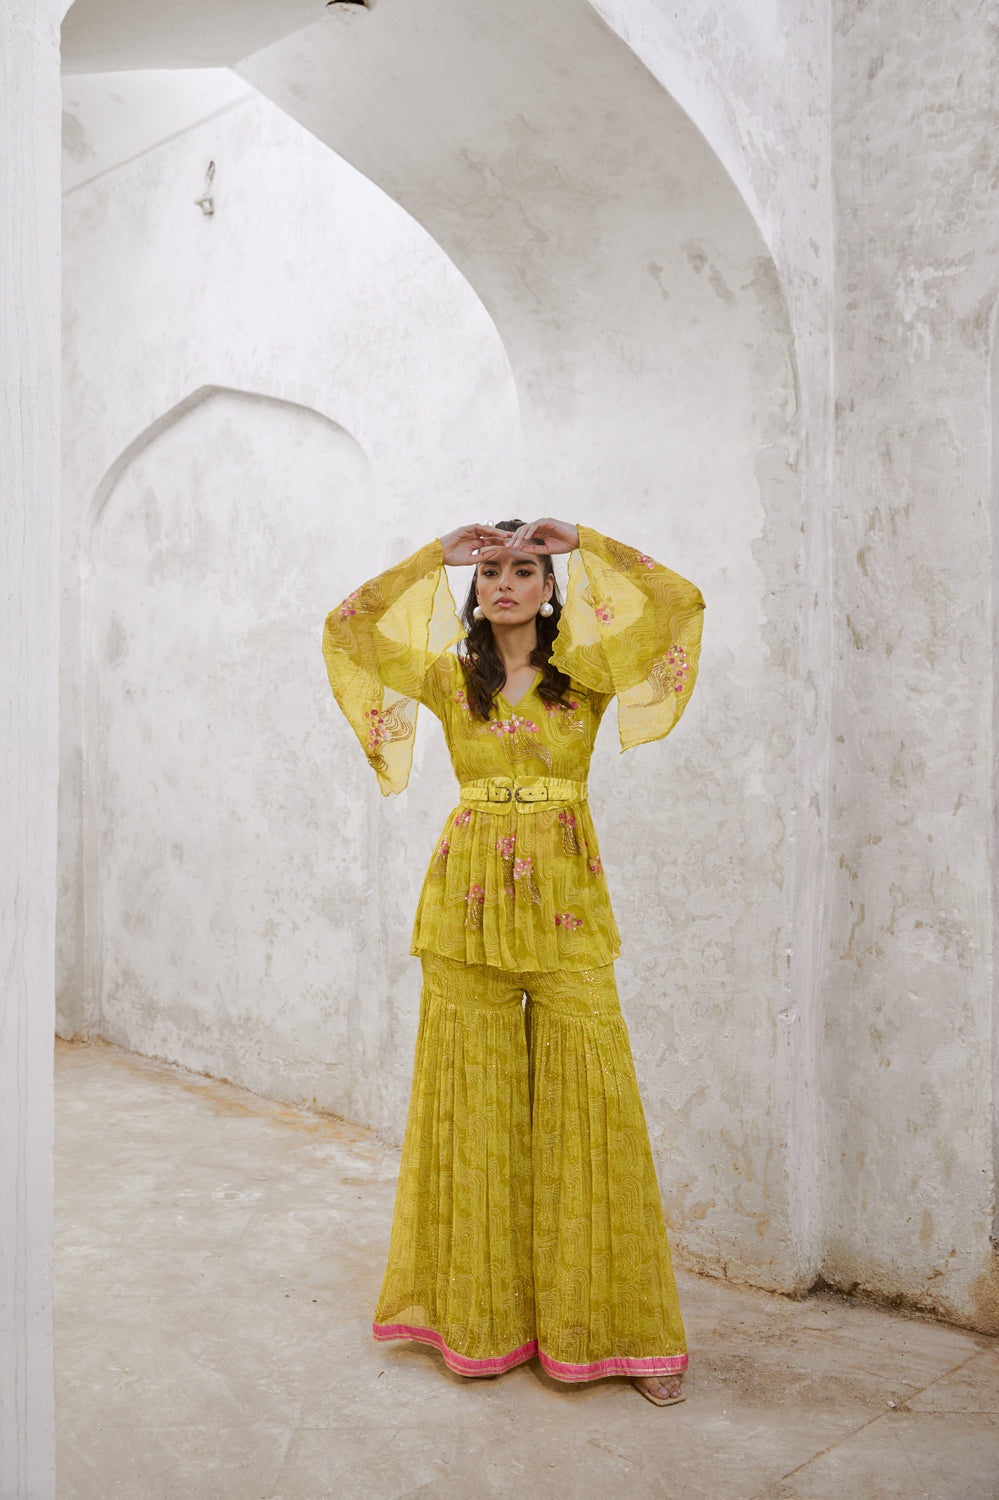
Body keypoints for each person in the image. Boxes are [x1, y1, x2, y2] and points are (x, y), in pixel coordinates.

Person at [322, 515, 704, 1406]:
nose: (504, 583)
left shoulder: (588, 674)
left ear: (547, 585)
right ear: (474, 587)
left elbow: (678, 604)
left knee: (594, 1108)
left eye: (524, 569)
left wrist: (586, 540)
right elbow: (347, 628)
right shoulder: (448, 677)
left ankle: (622, 1335)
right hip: (464, 911)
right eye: (490, 570)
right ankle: (479, 1323)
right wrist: (429, 556)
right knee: (475, 1109)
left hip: (567, 911)